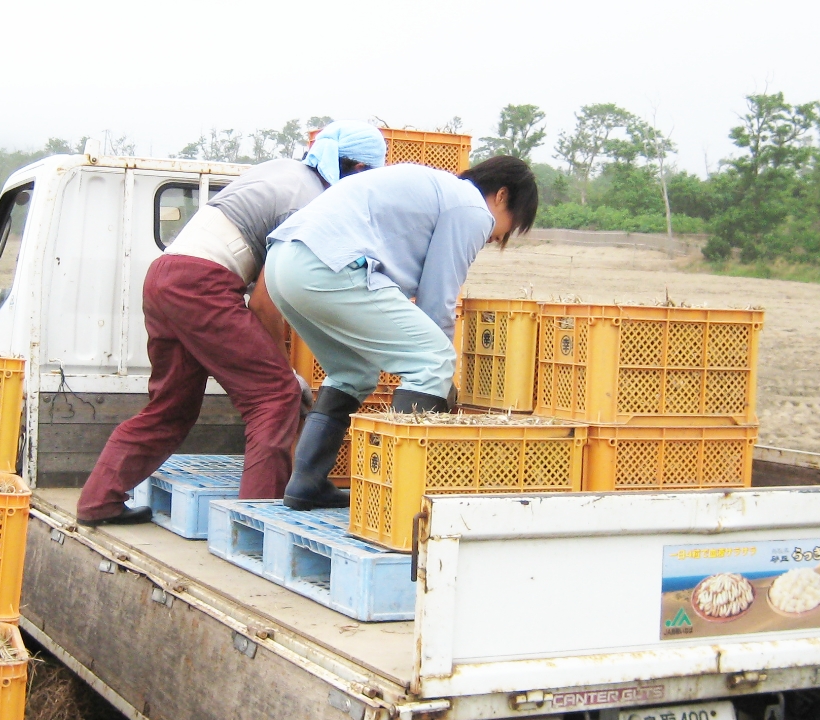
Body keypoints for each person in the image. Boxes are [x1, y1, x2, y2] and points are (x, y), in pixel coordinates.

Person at [76, 121, 388, 526]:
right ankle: (256, 524)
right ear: (360, 171)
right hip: (201, 283)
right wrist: (286, 374)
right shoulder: (313, 202)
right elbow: (265, 303)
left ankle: (98, 501)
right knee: (274, 397)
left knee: (171, 408)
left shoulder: (284, 171)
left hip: (165, 277)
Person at [263, 155, 539, 511]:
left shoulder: (436, 187)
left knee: (353, 372)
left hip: (284, 264)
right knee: (432, 360)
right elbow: (437, 299)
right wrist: (441, 377)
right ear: (501, 196)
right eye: (509, 226)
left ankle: (306, 484)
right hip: (326, 265)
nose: (497, 236)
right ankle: (402, 501)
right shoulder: (471, 207)